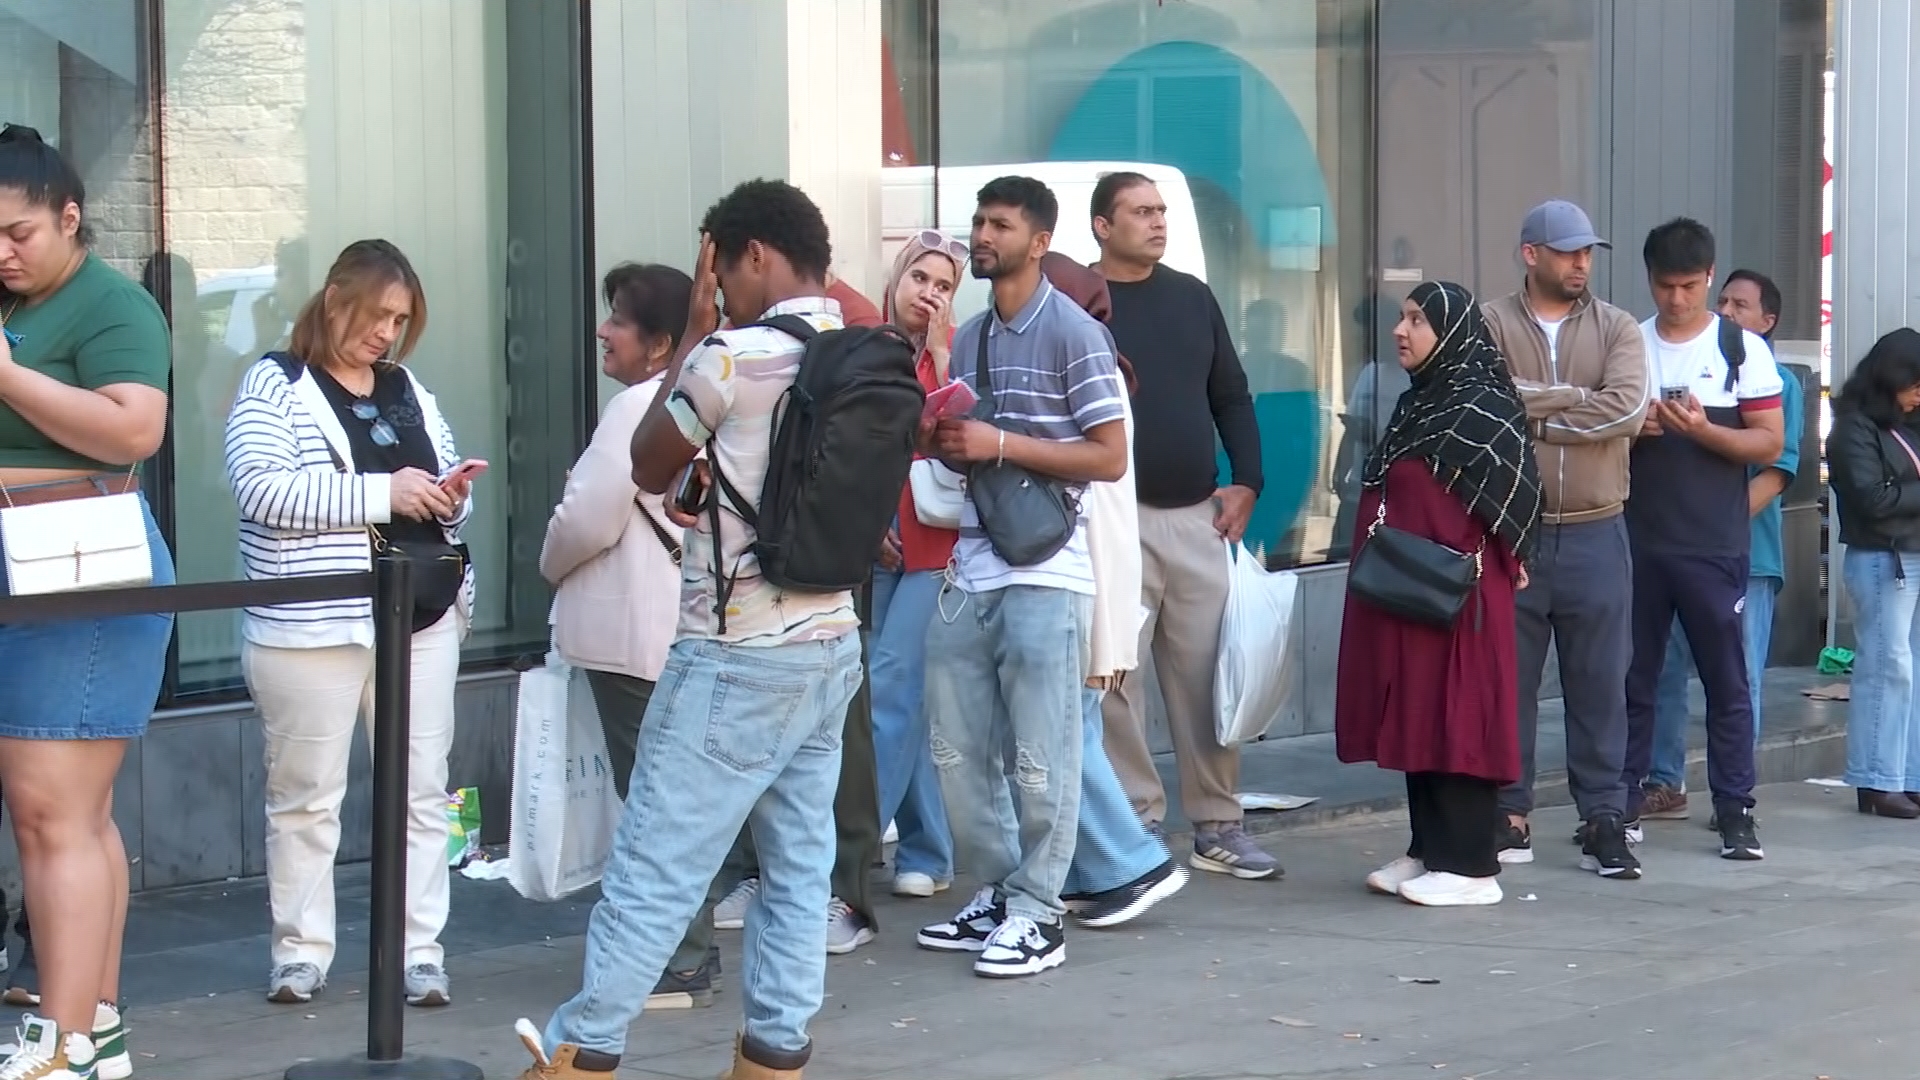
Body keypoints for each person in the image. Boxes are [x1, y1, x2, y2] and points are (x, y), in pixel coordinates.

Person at [515, 180, 865, 1080]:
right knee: (796, 866)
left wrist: (703, 329)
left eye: (718, 264)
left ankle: (579, 1052)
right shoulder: (869, 351)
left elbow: (645, 461)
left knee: (654, 868)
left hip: (733, 652)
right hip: (829, 640)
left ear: (749, 255)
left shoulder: (729, 357)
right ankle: (774, 1058)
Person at [226, 240, 475, 1008]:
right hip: (314, 626)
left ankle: (419, 952)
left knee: (423, 792)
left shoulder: (406, 387)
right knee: (306, 795)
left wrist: (449, 494)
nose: (388, 335)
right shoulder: (276, 383)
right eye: (377, 316)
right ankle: (300, 953)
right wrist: (383, 494)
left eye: (401, 321)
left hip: (422, 615)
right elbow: (261, 489)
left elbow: (437, 472)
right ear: (335, 300)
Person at [914, 176, 1127, 978]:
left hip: (1048, 566)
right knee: (957, 747)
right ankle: (999, 892)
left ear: (1039, 242)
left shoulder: (1074, 333)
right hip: (972, 562)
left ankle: (1042, 910)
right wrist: (946, 434)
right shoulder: (969, 335)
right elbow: (964, 444)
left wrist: (999, 446)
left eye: (999, 225)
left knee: (1042, 753)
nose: (982, 235)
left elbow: (1110, 454)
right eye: (978, 221)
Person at [0, 122, 173, 1080]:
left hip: (78, 553)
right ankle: (90, 1029)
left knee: (50, 814)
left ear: (71, 219)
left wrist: (9, 377)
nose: (4, 252)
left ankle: (60, 1040)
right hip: (32, 560)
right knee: (75, 815)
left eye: (20, 232)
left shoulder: (114, 304)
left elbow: (132, 428)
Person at [541, 262, 732, 1008]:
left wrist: (547, 567)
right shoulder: (704, 399)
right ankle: (686, 947)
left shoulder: (635, 409)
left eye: (618, 318)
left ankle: (678, 955)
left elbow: (585, 518)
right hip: (678, 627)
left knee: (651, 800)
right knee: (674, 793)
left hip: (629, 631)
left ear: (660, 343)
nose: (603, 330)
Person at [1089, 170, 1278, 881]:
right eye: (1141, 212)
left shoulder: (1192, 298)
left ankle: (1218, 822)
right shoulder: (1086, 307)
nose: (1158, 222)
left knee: (1207, 679)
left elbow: (1231, 395)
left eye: (1162, 211)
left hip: (1199, 519)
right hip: (1114, 520)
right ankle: (1136, 826)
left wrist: (1249, 483)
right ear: (1103, 226)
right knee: (1116, 682)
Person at [1335, 281, 1541, 908]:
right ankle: (1430, 849)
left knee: (1459, 720)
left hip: (1463, 596)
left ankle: (1473, 865)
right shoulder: (1421, 401)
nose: (1402, 330)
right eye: (1402, 318)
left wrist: (1513, 554)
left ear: (1451, 334)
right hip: (1411, 588)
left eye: (1419, 320)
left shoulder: (1481, 404)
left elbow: (1514, 495)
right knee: (1419, 713)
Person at [1478, 200, 1648, 878]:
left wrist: (1538, 416)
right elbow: (1485, 399)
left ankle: (1603, 815)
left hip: (1596, 529)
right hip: (1512, 532)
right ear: (1530, 254)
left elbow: (1629, 409)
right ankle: (1508, 814)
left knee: (1601, 681)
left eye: (1587, 252)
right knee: (1506, 683)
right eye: (1568, 251)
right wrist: (1580, 398)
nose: (1581, 263)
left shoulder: (1619, 328)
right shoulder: (1489, 322)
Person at [1623, 218, 1785, 861]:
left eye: (1690, 286)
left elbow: (1769, 442)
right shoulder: (1628, 346)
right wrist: (1634, 427)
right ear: (1650, 281)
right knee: (1631, 680)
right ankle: (1622, 803)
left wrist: (1701, 431)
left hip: (1715, 545)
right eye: (1666, 286)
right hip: (1637, 541)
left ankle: (1735, 809)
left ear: (1710, 277)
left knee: (1727, 682)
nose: (1678, 300)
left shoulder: (1740, 349)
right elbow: (1598, 431)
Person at [1039, 251, 1189, 928]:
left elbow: (1095, 504)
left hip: (1080, 576)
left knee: (1063, 734)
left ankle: (1131, 862)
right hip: (1090, 575)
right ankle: (1091, 869)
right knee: (1072, 731)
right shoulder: (1097, 365)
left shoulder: (1084, 371)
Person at [1643, 270, 1804, 819]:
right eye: (1727, 301)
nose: (1729, 311)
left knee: (1734, 678)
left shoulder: (1774, 377)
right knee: (1659, 670)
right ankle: (1661, 782)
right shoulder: (1647, 347)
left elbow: (1777, 466)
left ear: (1767, 321)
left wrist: (1716, 520)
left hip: (1741, 553)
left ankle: (1733, 799)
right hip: (1668, 549)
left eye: (1743, 305)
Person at [869, 229, 965, 899]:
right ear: (896, 281)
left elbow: (971, 440)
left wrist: (940, 354)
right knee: (897, 697)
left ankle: (844, 852)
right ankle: (927, 851)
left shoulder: (953, 358)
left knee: (890, 690)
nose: (929, 293)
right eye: (920, 278)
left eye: (944, 285)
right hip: (876, 546)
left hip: (938, 552)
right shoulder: (868, 354)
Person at [1824, 328, 1920, 819]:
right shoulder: (1853, 427)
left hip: (1911, 553)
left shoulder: (1909, 422)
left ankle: (1909, 773)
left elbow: (1890, 494)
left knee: (1912, 668)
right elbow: (1872, 501)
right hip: (1883, 557)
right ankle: (1877, 778)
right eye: (1914, 383)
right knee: (1888, 665)